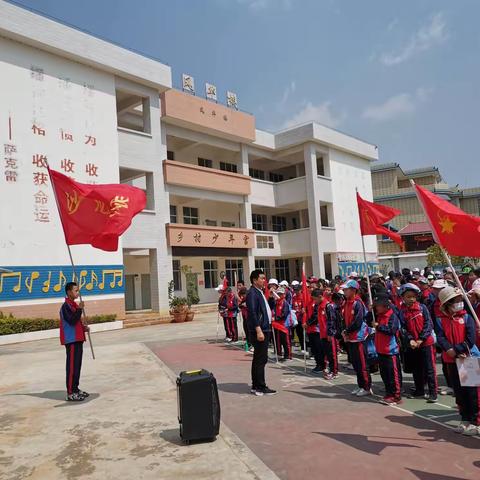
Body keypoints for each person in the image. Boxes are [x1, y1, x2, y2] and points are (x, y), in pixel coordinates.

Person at [435, 286, 480, 436]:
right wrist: (450, 351)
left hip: (469, 359)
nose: (459, 303)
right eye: (455, 301)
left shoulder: (467, 317)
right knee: (459, 392)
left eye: (460, 300)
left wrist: (459, 350)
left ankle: (476, 421)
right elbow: (441, 337)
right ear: (446, 304)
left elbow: (470, 339)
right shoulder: (441, 320)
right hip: (451, 360)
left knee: (472, 392)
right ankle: (465, 419)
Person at [398, 283, 438, 403]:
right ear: (403, 298)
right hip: (412, 345)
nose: (411, 299)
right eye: (408, 296)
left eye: (413, 296)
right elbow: (403, 328)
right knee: (416, 369)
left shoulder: (422, 308)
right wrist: (410, 339)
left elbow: (428, 324)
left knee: (430, 369)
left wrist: (421, 339)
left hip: (426, 343)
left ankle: (433, 392)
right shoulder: (402, 312)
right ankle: (419, 390)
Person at [246, 269, 277, 396]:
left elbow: (266, 309)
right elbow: (252, 312)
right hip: (260, 330)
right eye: (262, 278)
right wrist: (258, 330)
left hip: (265, 328)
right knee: (260, 359)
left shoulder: (259, 292)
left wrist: (270, 298)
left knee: (259, 358)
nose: (264, 281)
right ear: (254, 280)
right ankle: (260, 386)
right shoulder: (252, 293)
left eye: (264, 278)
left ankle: (256, 385)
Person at [341, 279, 372, 396]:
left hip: (358, 337)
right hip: (350, 337)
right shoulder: (346, 302)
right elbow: (345, 319)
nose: (344, 291)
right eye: (344, 289)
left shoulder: (357, 303)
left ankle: (367, 387)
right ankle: (360, 385)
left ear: (353, 290)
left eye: (346, 289)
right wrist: (345, 331)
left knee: (362, 363)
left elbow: (358, 321)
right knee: (355, 363)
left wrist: (347, 330)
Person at [60, 282, 90, 402]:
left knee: (77, 366)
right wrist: (80, 309)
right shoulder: (66, 306)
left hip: (78, 339)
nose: (78, 293)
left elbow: (76, 323)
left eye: (78, 290)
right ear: (69, 292)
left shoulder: (74, 305)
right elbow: (71, 321)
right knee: (72, 367)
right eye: (76, 290)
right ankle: (70, 392)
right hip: (71, 340)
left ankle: (76, 389)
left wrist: (84, 328)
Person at [372, 294, 402, 405]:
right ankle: (389, 393)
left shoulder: (392, 316)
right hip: (380, 350)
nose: (377, 308)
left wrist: (378, 326)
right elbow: (368, 319)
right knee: (385, 374)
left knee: (393, 375)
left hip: (390, 351)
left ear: (385, 306)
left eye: (378, 306)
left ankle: (396, 396)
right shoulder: (378, 315)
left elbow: (391, 330)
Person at [305, 288, 327, 374]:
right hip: (310, 329)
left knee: (319, 349)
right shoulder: (309, 302)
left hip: (317, 329)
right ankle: (318, 364)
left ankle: (322, 365)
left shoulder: (318, 304)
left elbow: (315, 316)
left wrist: (308, 323)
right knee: (314, 349)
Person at [272, 287, 292, 362]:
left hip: (284, 325)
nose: (279, 295)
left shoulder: (285, 303)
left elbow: (284, 314)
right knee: (279, 340)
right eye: (278, 294)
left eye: (281, 294)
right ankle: (280, 354)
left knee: (286, 341)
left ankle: (288, 355)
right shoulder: (276, 302)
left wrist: (276, 318)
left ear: (284, 294)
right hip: (278, 325)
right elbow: (274, 311)